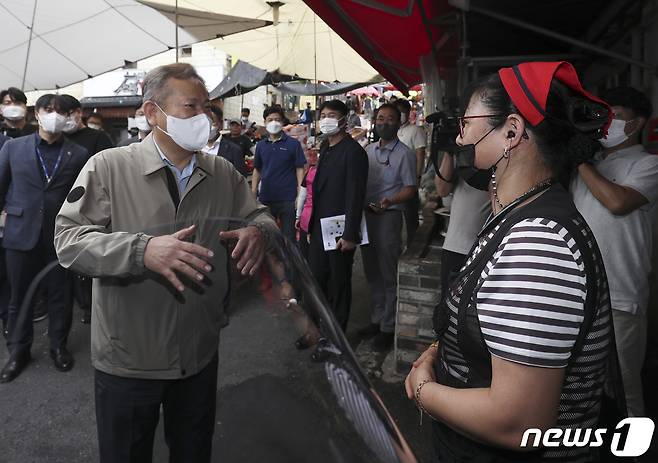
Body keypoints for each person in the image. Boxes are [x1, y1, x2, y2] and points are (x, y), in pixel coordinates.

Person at [54, 63, 275, 463]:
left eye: (206, 108)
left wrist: (259, 231)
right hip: (128, 362)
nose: (203, 119)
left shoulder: (222, 172)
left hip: (198, 355)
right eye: (191, 107)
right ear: (153, 113)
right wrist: (142, 251)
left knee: (193, 450)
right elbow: (69, 241)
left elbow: (261, 216)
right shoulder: (108, 167)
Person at [405, 62, 614, 462]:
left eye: (467, 121)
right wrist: (439, 352)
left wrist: (422, 390)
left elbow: (520, 423)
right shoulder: (519, 213)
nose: (460, 134)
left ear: (512, 132)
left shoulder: (539, 243)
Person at [571, 86, 658, 417]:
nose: (607, 124)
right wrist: (577, 158)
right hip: (579, 292)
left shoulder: (648, 165)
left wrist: (581, 163)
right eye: (604, 116)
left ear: (635, 125)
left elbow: (618, 202)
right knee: (580, 381)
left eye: (616, 117)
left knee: (623, 384)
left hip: (621, 294)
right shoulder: (587, 163)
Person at [0, 94, 91, 383]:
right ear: (36, 113)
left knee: (60, 296)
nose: (54, 114)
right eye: (48, 109)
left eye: (60, 111)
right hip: (20, 233)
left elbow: (84, 198)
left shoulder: (77, 154)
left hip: (60, 236)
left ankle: (57, 346)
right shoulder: (13, 148)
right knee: (19, 296)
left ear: (68, 117)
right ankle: (17, 351)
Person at [358, 104, 416, 352]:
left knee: (388, 273)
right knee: (372, 272)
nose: (384, 123)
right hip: (367, 217)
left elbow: (410, 188)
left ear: (398, 122)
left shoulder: (405, 154)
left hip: (389, 218)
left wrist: (390, 200)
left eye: (390, 119)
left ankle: (388, 327)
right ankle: (376, 319)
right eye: (380, 118)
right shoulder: (368, 150)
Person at [308, 99, 368, 331]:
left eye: (331, 115)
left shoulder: (353, 152)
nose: (326, 120)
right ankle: (316, 329)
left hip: (340, 230)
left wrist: (350, 233)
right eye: (323, 115)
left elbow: (355, 194)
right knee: (317, 279)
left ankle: (336, 336)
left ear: (343, 120)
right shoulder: (325, 148)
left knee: (338, 284)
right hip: (319, 226)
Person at [58, 94, 115, 324]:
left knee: (88, 260)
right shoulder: (57, 139)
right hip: (61, 209)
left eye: (65, 112)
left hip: (90, 208)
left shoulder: (98, 139)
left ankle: (91, 306)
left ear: (78, 112)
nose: (61, 118)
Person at [433, 147, 490, 309]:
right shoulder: (460, 154)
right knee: (447, 307)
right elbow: (442, 190)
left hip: (482, 249)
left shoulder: (497, 153)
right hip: (454, 246)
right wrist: (449, 151)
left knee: (471, 310)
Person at [252, 106, 306, 243]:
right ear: (265, 122)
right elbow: (257, 169)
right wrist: (253, 191)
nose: (273, 122)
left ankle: (290, 263)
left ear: (282, 122)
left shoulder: (293, 144)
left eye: (277, 119)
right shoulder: (261, 146)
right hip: (266, 197)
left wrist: (300, 191)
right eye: (270, 120)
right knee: (266, 235)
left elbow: (299, 168)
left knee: (289, 237)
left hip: (288, 198)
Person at [395, 99, 426, 246]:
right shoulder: (393, 130)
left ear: (408, 113)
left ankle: (412, 245)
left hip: (409, 180)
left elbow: (420, 154)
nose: (400, 115)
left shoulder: (415, 131)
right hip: (394, 181)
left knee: (410, 215)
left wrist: (418, 176)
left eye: (402, 112)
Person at [203, 107, 247, 176]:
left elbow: (241, 179)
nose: (208, 126)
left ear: (220, 123)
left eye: (212, 122)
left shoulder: (234, 150)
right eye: (204, 122)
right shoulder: (192, 149)